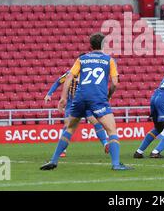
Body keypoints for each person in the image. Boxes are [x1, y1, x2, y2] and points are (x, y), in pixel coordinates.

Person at [40, 32, 133, 171]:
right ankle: (116, 164)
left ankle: (54, 160)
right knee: (111, 130)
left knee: (69, 129)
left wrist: (63, 98)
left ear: (90, 45)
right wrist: (109, 95)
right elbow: (115, 83)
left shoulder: (82, 58)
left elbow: (69, 77)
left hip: (80, 97)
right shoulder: (109, 60)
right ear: (104, 45)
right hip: (98, 98)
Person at [44, 69, 109, 157]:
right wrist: (49, 94)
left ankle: (106, 144)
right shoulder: (71, 74)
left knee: (94, 122)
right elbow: (58, 82)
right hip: (74, 104)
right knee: (69, 125)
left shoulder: (88, 74)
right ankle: (63, 150)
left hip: (83, 103)